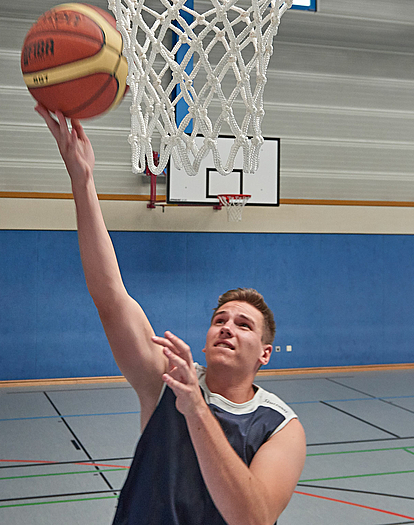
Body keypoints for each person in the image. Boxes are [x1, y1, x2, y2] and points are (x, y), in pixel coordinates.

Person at [36, 105, 306, 525]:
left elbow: (253, 518)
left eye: (242, 324)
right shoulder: (165, 381)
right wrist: (83, 180)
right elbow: (111, 298)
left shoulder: (280, 427)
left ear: (265, 355)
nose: (227, 327)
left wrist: (197, 409)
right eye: (219, 320)